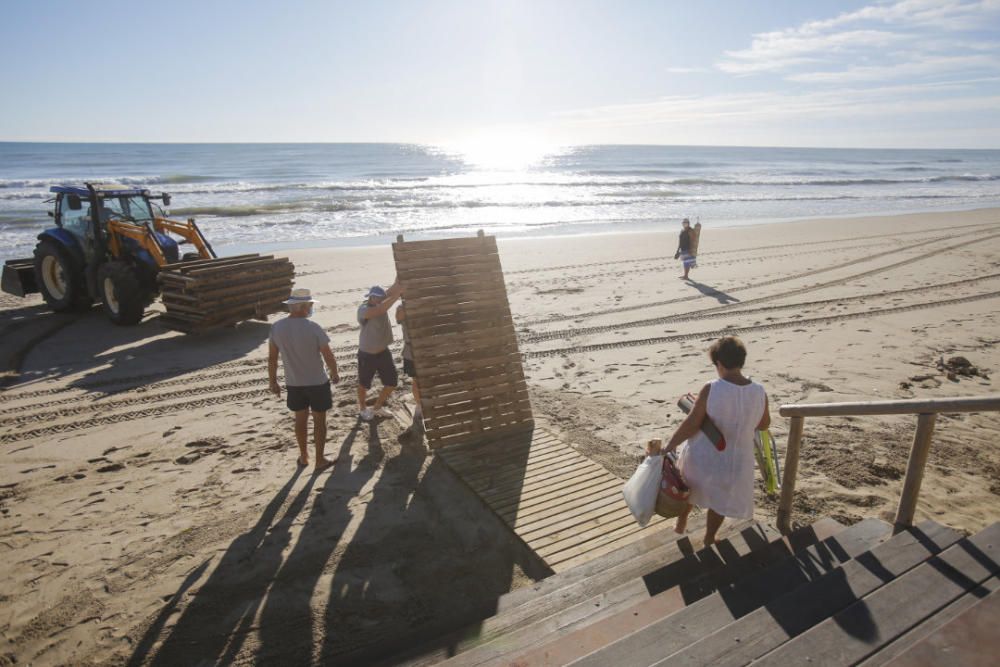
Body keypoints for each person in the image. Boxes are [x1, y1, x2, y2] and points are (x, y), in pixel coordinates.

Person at [652, 336, 770, 546]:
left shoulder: (712, 388)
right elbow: (763, 424)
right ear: (741, 362)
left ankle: (681, 524)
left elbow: (692, 423)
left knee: (689, 488)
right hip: (737, 458)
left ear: (719, 363)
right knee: (720, 500)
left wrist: (670, 445)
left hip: (704, 454)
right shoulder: (759, 391)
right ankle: (709, 538)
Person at [268, 288, 340, 472]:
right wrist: (334, 372)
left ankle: (304, 456)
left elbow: (272, 358)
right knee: (319, 422)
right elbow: (328, 355)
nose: (310, 308)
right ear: (304, 306)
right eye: (309, 305)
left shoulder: (277, 327)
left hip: (294, 383)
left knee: (300, 419)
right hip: (317, 382)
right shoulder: (313, 327)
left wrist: (273, 382)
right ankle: (320, 459)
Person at [357, 282, 402, 421]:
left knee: (392, 383)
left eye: (380, 298)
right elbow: (380, 310)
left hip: (383, 352)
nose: (379, 300)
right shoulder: (363, 309)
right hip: (367, 354)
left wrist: (399, 283)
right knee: (364, 384)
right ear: (370, 297)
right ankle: (363, 409)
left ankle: (377, 407)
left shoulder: (380, 303)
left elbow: (392, 290)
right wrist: (398, 294)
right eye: (376, 297)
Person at [395, 303, 423, 437]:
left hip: (426, 348)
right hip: (410, 350)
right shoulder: (401, 308)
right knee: (416, 380)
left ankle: (426, 404)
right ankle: (419, 406)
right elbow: (399, 317)